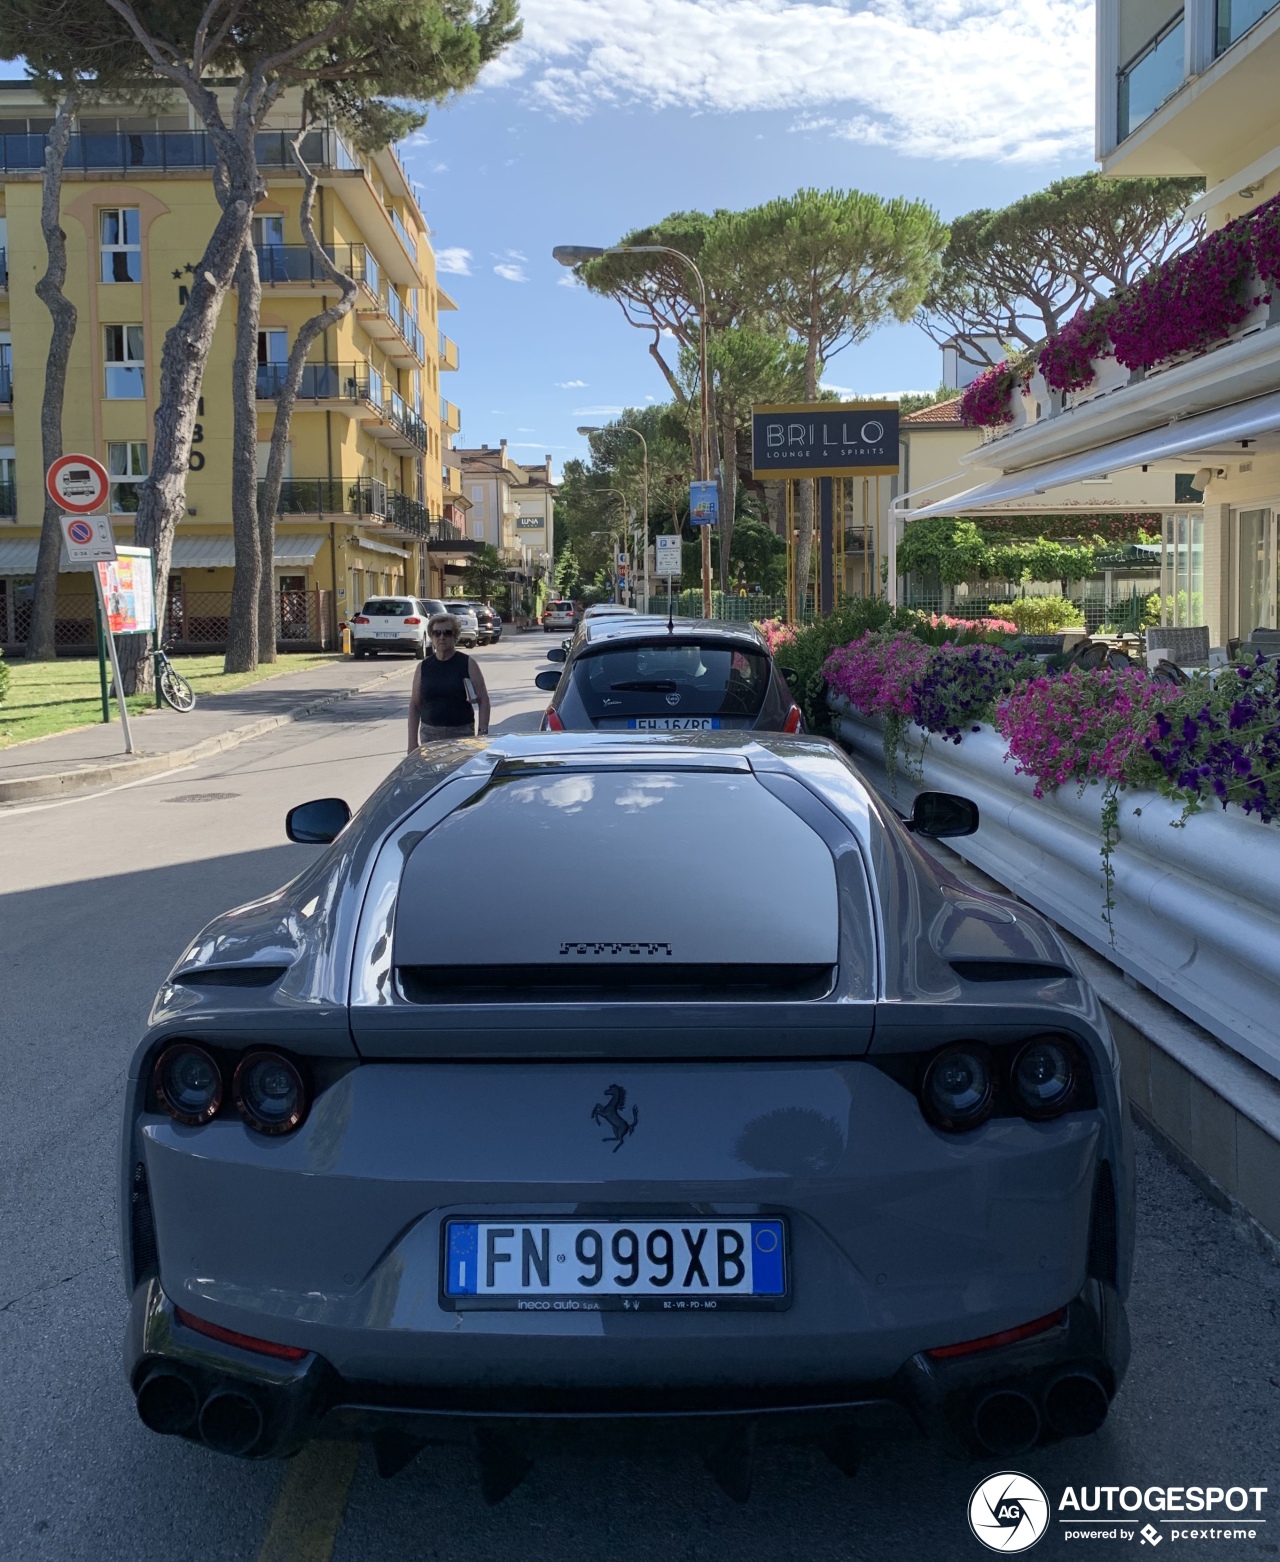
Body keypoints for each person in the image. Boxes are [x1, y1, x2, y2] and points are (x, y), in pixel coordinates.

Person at [407, 613, 491, 752]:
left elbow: (483, 700)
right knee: (433, 773)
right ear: (431, 636)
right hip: (430, 735)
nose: (442, 637)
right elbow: (415, 705)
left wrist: (482, 733)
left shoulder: (467, 663)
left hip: (461, 734)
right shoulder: (423, 667)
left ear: (455, 636)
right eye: (437, 633)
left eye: (447, 633)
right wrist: (412, 743)